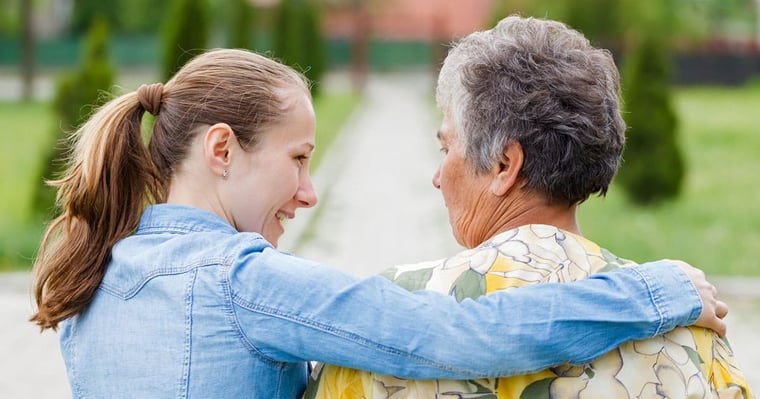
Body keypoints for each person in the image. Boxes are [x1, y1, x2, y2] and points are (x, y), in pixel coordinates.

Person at [30, 48, 727, 399]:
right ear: (221, 149)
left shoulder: (86, 283)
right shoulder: (243, 281)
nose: (307, 192)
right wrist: (655, 291)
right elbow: (458, 336)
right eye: (299, 158)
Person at [305, 16, 753, 399]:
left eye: (446, 148)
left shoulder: (387, 321)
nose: (438, 177)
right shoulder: (693, 329)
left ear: (504, 164)